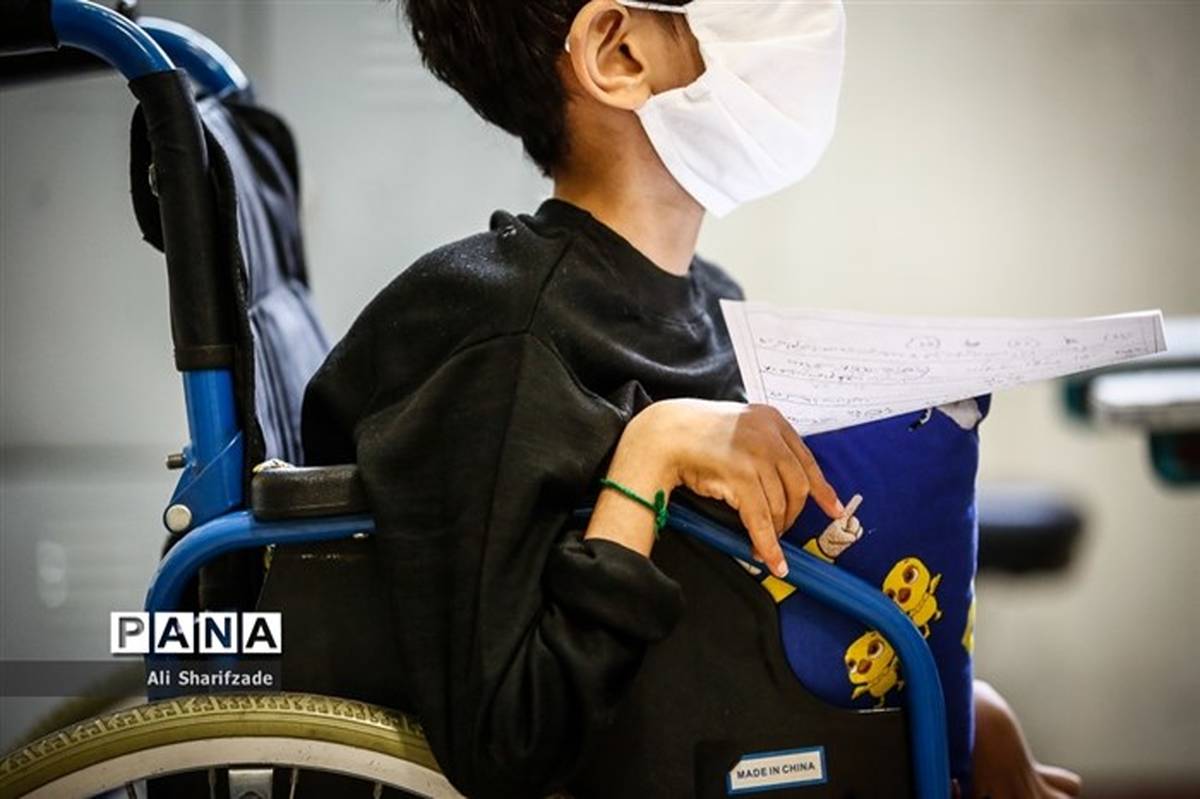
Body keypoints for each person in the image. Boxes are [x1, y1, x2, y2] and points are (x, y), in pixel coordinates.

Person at [302, 1, 1082, 796]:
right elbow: (510, 736)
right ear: (618, 52)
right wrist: (651, 452)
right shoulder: (501, 333)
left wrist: (960, 713)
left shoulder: (708, 301)